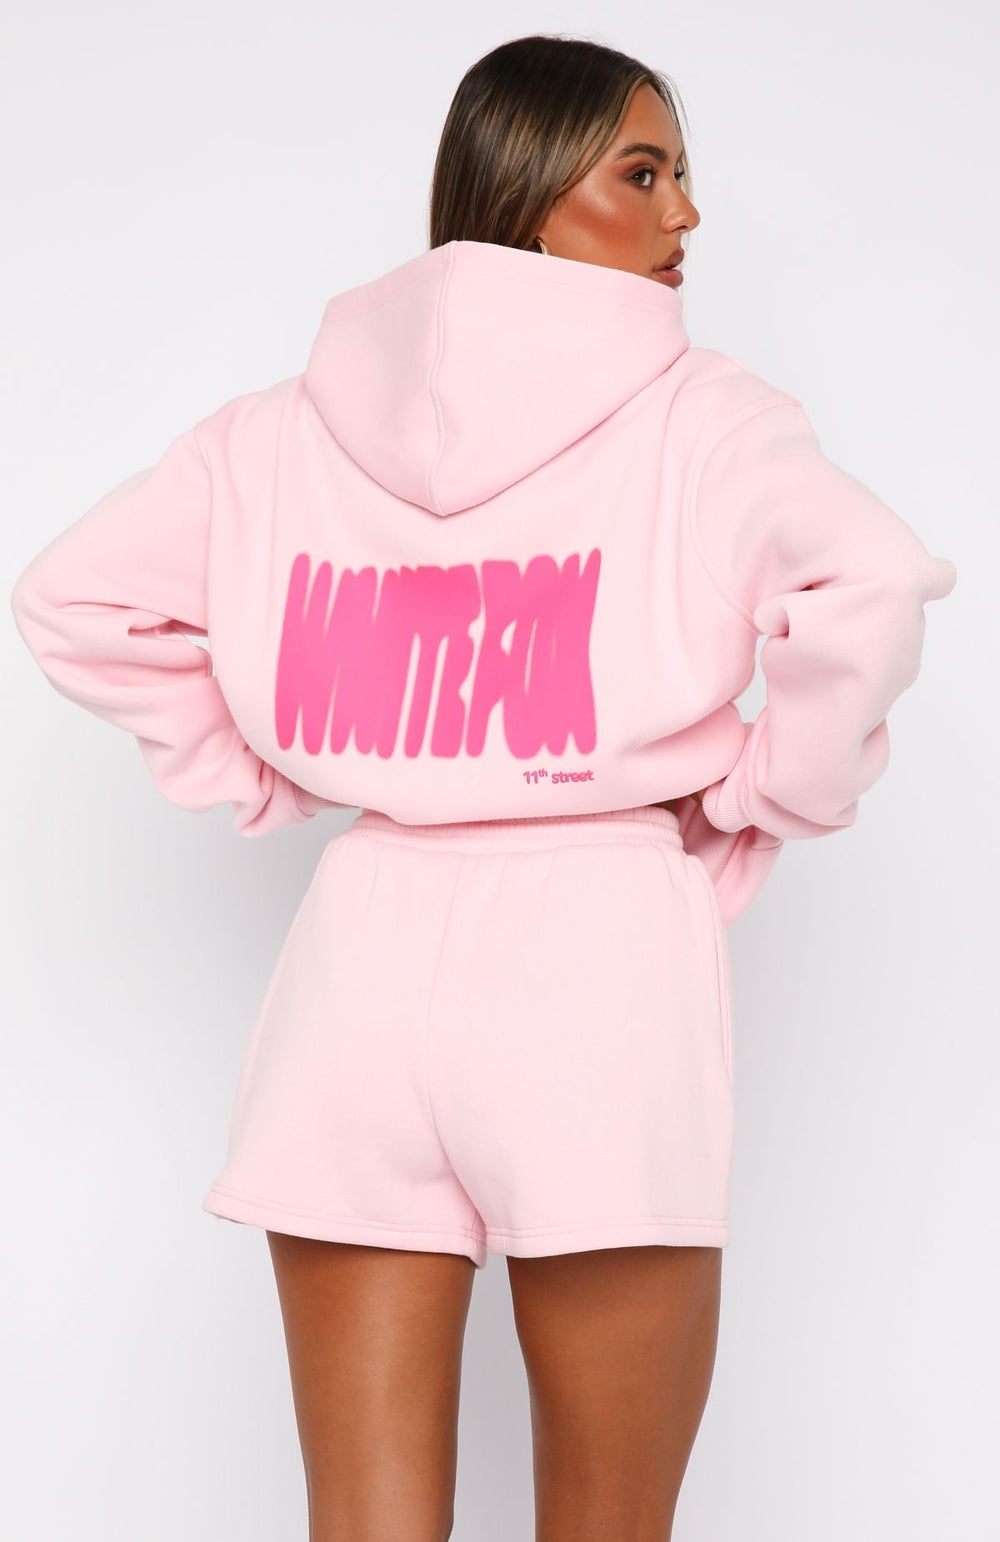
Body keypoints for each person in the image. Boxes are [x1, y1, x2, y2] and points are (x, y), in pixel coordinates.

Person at [9, 32, 958, 1542]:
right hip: (599, 950)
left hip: (363, 947)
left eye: (680, 174)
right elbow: (871, 585)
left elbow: (73, 599)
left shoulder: (284, 427)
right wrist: (769, 789)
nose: (685, 213)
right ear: (526, 190)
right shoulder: (705, 416)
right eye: (642, 172)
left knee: (364, 1524)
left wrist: (255, 769)